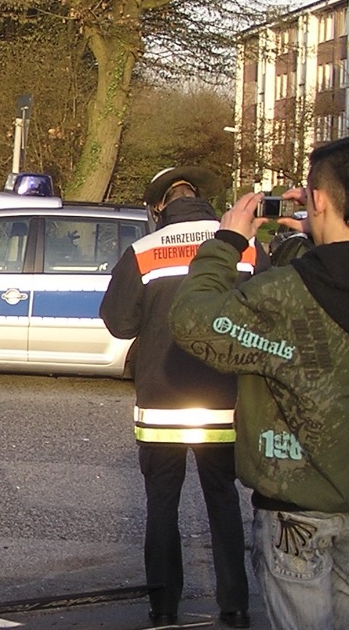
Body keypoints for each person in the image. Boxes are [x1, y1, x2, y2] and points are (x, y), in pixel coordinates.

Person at [169, 136, 349, 630]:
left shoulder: (285, 293)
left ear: (316, 200)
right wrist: (304, 242)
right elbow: (340, 281)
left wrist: (227, 243)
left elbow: (193, 321)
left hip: (294, 510)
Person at [100, 166, 256, 628]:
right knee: (223, 500)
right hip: (225, 400)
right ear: (201, 199)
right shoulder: (242, 245)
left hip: (161, 404)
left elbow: (119, 323)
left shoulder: (145, 251)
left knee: (162, 505)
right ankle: (235, 603)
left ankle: (164, 605)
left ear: (158, 207)